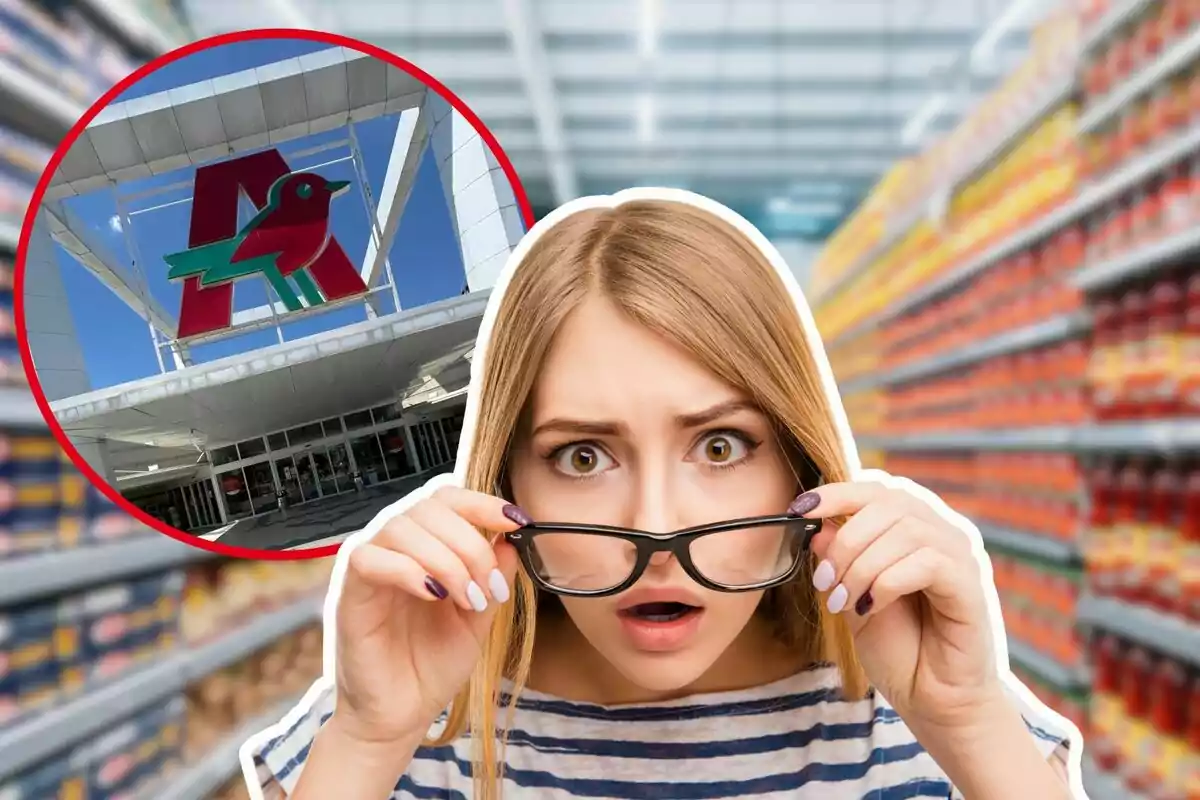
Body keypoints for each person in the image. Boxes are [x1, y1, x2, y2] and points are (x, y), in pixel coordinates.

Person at [247, 191, 1078, 799]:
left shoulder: (928, 716)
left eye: (720, 446)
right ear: (506, 485)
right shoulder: (408, 728)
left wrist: (969, 729)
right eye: (581, 456)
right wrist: (366, 741)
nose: (656, 529)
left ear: (801, 467)